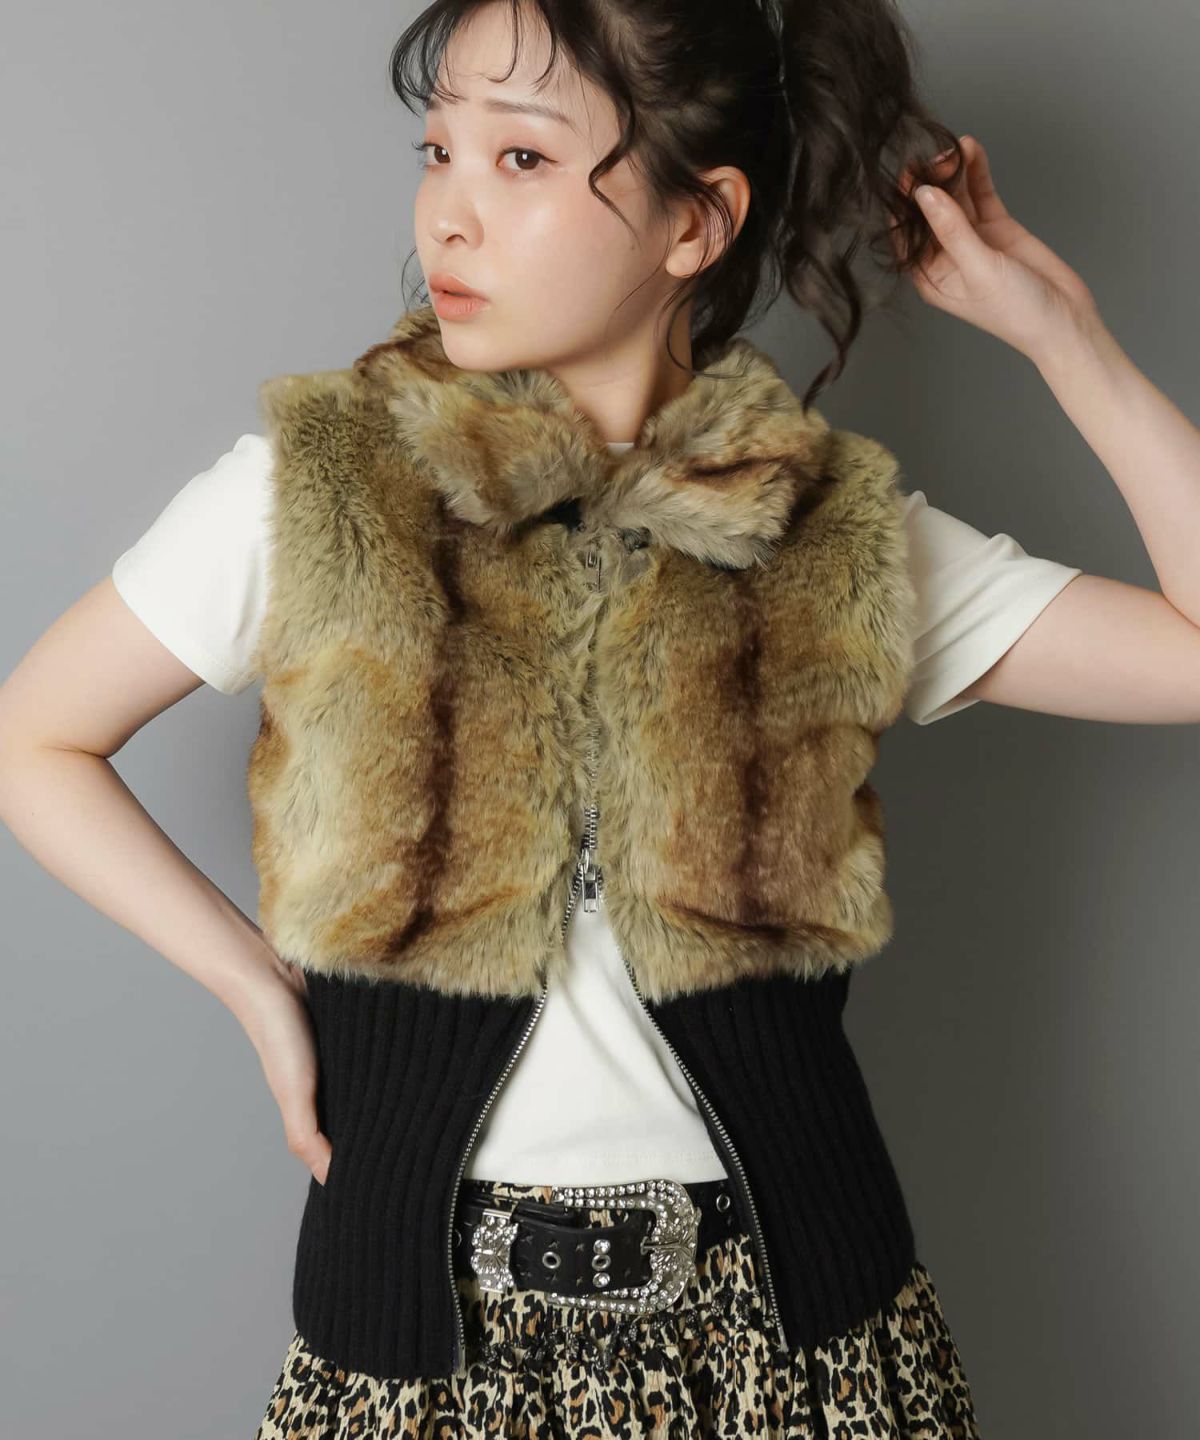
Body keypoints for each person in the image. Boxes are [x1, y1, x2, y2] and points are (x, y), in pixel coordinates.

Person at [2, 2, 1198, 1436]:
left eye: (520, 159)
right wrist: (258, 987)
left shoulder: (831, 536)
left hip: (804, 1354)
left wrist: (1064, 338)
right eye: (439, 149)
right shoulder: (316, 495)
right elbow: (33, 739)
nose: (448, 212)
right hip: (424, 1354)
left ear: (698, 222)